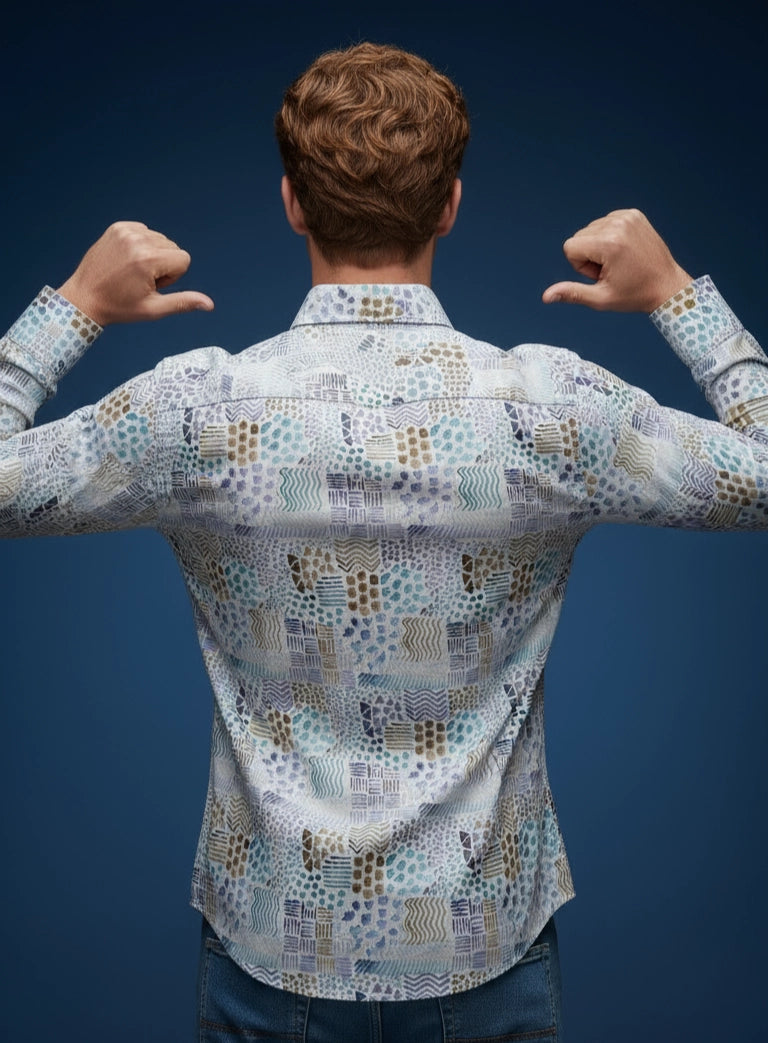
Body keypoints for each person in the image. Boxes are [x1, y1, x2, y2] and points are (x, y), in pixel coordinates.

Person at [1, 41, 766, 1043]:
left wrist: (72, 310)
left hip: (271, 955)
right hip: (482, 952)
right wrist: (678, 296)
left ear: (291, 202)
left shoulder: (200, 411)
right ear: (449, 203)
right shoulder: (548, 408)